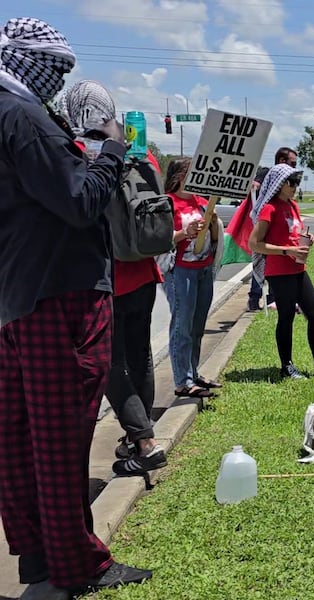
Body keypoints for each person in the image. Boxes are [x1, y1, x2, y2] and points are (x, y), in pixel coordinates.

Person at [0, 17, 152, 593]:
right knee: (61, 433)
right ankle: (78, 562)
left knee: (19, 436)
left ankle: (36, 553)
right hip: (61, 293)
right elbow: (80, 200)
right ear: (29, 62)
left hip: (19, 295)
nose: (60, 80)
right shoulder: (23, 117)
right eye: (56, 68)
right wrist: (111, 149)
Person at [60, 80, 168, 476]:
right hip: (145, 269)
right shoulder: (141, 154)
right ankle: (138, 436)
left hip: (109, 275)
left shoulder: (82, 155)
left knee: (109, 364)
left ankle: (145, 441)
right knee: (140, 356)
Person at [249, 164, 314, 380]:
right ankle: (287, 366)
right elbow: (254, 243)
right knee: (286, 316)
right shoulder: (270, 208)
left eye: (297, 182)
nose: (295, 187)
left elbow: (294, 232)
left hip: (298, 268)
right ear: (278, 184)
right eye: (291, 182)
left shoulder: (292, 205)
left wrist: (306, 238)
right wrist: (287, 250)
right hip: (279, 271)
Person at [163, 157, 222, 399]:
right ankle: (182, 381)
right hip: (180, 270)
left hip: (204, 268)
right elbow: (160, 238)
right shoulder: (168, 203)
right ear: (180, 177)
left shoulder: (201, 202)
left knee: (198, 325)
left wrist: (213, 221)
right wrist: (184, 233)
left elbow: (215, 236)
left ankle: (193, 372)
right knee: (182, 324)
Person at [247, 146, 298, 311]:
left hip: (281, 233)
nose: (294, 167)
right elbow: (255, 186)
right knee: (261, 260)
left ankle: (272, 298)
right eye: (292, 163)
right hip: (266, 228)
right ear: (282, 161)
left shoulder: (291, 203)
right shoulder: (266, 174)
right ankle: (255, 297)